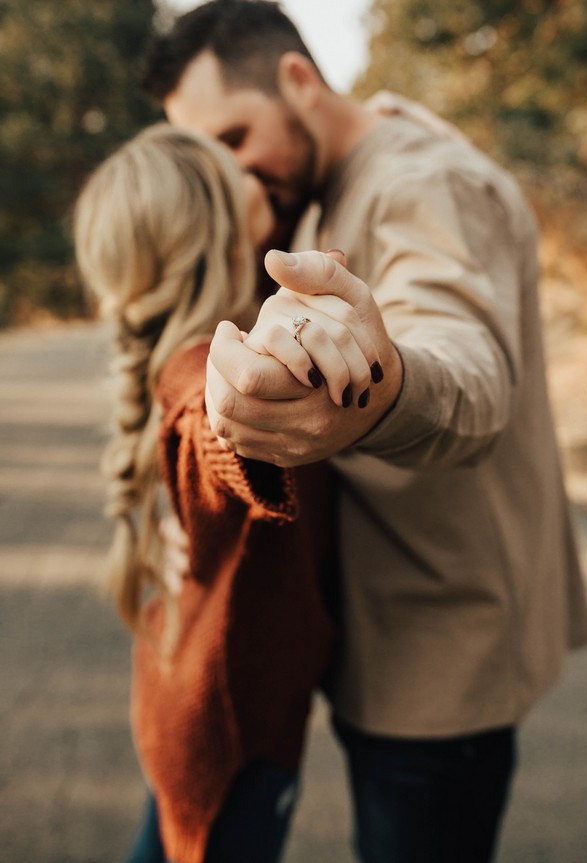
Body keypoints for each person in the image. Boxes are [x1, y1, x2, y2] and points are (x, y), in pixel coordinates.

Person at [141, 0, 587, 863]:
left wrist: (380, 389)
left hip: (436, 670)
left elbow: (468, 366)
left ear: (298, 80)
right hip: (377, 639)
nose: (235, 178)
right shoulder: (330, 184)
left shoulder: (423, 182)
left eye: (235, 139)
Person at [73, 123, 379, 863]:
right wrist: (234, 413)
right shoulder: (198, 369)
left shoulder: (172, 350)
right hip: (230, 742)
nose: (253, 171)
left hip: (189, 708)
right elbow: (208, 424)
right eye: (229, 166)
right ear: (210, 224)